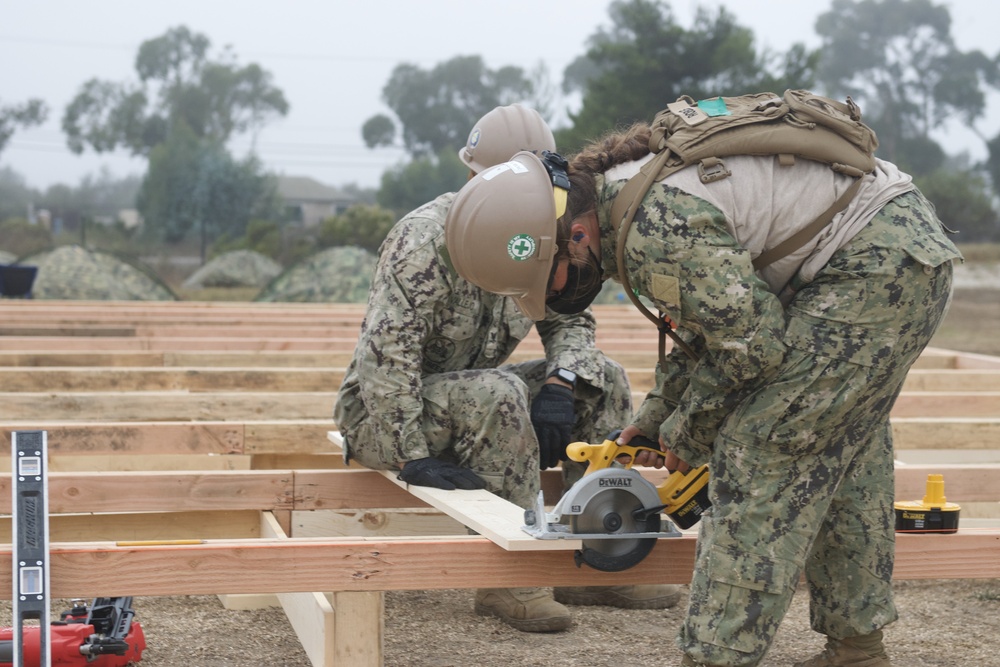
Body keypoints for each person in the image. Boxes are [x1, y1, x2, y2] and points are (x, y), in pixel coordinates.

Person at [443, 115, 961, 665]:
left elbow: (750, 347)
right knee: (839, 440)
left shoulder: (653, 225)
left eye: (549, 280)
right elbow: (705, 324)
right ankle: (858, 650)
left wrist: (690, 434)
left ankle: (716, 658)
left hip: (875, 266)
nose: (557, 295)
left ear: (573, 236)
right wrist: (656, 418)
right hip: (892, 248)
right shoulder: (623, 203)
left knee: (762, 448)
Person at [334, 104, 680, 634]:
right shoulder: (425, 240)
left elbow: (571, 320)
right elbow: (387, 357)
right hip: (385, 417)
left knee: (601, 378)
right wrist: (410, 456)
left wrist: (562, 384)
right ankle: (509, 577)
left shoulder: (540, 234)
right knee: (497, 391)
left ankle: (596, 554)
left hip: (478, 404)